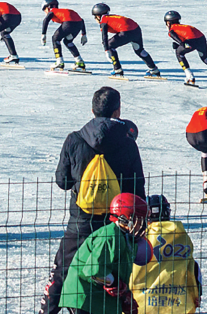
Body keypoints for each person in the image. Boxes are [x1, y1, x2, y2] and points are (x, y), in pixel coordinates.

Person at [40, 87, 146, 314]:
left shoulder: (74, 139)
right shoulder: (128, 144)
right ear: (118, 112)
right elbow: (136, 188)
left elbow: (63, 181)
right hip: (115, 225)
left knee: (62, 274)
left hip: (80, 221)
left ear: (92, 110)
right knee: (111, 277)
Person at [59, 193, 148, 314]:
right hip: (84, 298)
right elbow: (94, 271)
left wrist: (125, 296)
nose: (144, 225)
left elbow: (117, 273)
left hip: (98, 300)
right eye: (140, 220)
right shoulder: (109, 237)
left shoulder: (127, 239)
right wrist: (116, 283)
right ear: (125, 219)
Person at [129, 195, 202, 313]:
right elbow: (192, 270)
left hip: (142, 305)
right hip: (178, 305)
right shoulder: (182, 237)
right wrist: (196, 295)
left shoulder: (138, 238)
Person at [91, 3, 160, 78]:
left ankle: (117, 69)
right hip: (136, 29)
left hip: (126, 31)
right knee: (140, 50)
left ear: (98, 16)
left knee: (110, 46)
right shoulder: (112, 17)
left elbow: (104, 36)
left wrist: (106, 50)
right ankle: (153, 69)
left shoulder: (103, 21)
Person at [164, 11, 207, 86]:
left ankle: (189, 76)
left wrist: (180, 45)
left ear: (168, 23)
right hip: (201, 38)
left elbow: (180, 41)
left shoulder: (171, 30)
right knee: (206, 58)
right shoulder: (185, 26)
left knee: (179, 53)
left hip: (191, 40)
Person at [41, 0, 88, 71]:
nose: (45, 13)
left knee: (55, 39)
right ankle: (79, 61)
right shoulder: (62, 11)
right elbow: (81, 20)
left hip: (68, 23)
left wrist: (43, 34)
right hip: (78, 24)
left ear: (47, 8)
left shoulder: (52, 11)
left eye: (44, 10)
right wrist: (84, 34)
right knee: (67, 41)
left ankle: (59, 62)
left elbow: (45, 20)